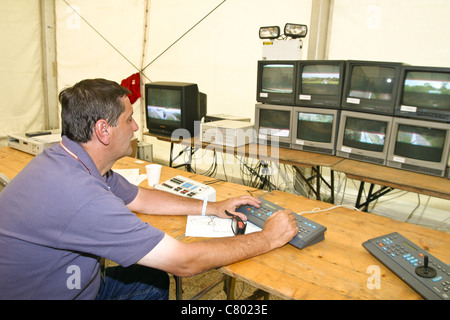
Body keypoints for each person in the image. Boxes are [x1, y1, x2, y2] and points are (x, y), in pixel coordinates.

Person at [0, 78, 298, 300]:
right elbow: (185, 261)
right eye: (128, 119)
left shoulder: (68, 159)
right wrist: (268, 237)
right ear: (103, 131)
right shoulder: (81, 196)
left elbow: (139, 197)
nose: (136, 128)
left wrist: (212, 207)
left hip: (73, 284)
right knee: (162, 269)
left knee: (149, 275)